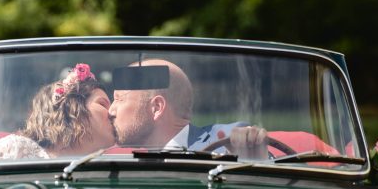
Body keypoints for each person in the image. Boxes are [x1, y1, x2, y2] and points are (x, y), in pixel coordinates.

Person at [108, 59, 268, 158]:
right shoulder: (125, 163)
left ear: (156, 108)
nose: (111, 111)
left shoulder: (227, 140)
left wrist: (252, 161)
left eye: (119, 99)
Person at [0, 63, 116, 161]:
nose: (113, 112)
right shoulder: (16, 150)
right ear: (71, 108)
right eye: (102, 104)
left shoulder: (112, 166)